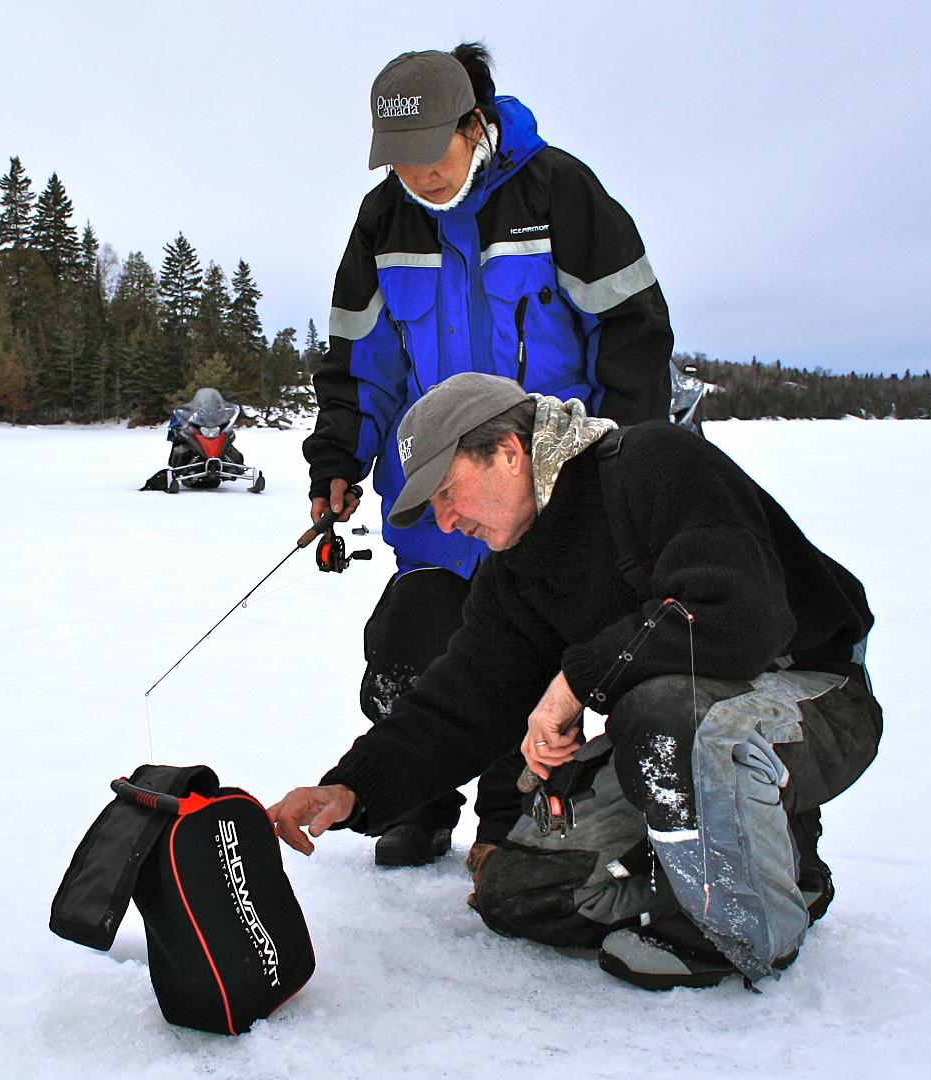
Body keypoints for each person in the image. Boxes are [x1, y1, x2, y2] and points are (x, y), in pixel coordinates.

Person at [271, 373, 881, 989]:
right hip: (666, 727)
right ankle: (710, 869)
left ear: (509, 452)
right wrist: (350, 791)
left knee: (666, 715)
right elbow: (461, 704)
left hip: (809, 698)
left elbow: (740, 616)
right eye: (434, 509)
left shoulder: (654, 464)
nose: (447, 523)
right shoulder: (516, 573)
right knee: (517, 893)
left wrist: (573, 682)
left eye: (448, 493)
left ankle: (756, 920)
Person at [304, 43, 676, 870]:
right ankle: (418, 802)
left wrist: (618, 471)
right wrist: (338, 457)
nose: (419, 174)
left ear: (475, 124)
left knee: (533, 647)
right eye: (398, 160)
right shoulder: (383, 221)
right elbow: (359, 364)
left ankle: (514, 812)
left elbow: (635, 339)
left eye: (431, 152)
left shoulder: (560, 192)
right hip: (439, 498)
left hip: (545, 490)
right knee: (414, 639)